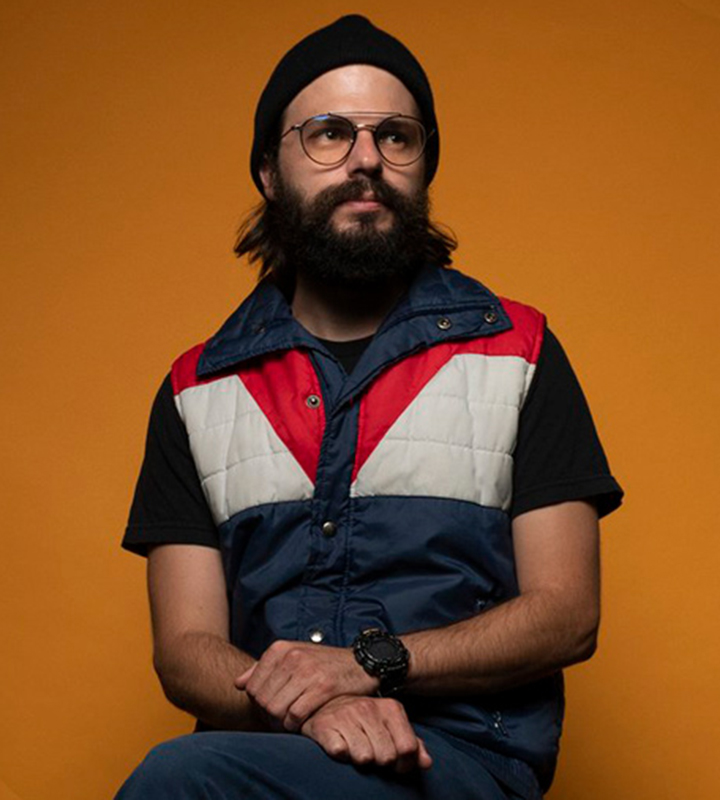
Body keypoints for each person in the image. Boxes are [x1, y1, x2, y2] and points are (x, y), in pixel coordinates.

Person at [116, 15, 623, 800]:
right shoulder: (196, 389)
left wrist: (364, 667)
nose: (365, 161)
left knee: (177, 783)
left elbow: (567, 614)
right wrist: (310, 710)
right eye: (327, 134)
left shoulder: (519, 353)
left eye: (395, 136)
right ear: (268, 172)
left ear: (423, 166)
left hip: (459, 755)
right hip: (275, 744)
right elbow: (185, 650)